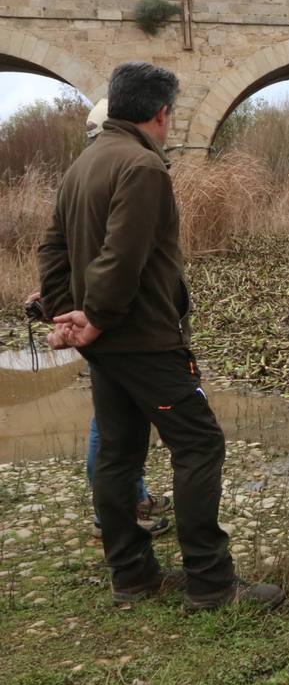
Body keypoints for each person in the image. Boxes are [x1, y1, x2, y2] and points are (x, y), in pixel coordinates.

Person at [37, 62, 282, 610]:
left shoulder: (84, 163)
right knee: (198, 444)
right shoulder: (142, 166)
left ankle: (132, 576)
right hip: (145, 339)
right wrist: (95, 316)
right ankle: (211, 584)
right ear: (162, 112)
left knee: (118, 453)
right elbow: (123, 256)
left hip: (106, 343)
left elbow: (52, 247)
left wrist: (64, 313)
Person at [25, 99, 170, 537]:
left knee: (117, 421)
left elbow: (62, 248)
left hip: (102, 314)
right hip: (114, 321)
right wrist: (82, 313)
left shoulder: (87, 173)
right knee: (111, 428)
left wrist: (58, 303)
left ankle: (131, 499)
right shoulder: (129, 171)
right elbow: (113, 256)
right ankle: (116, 513)